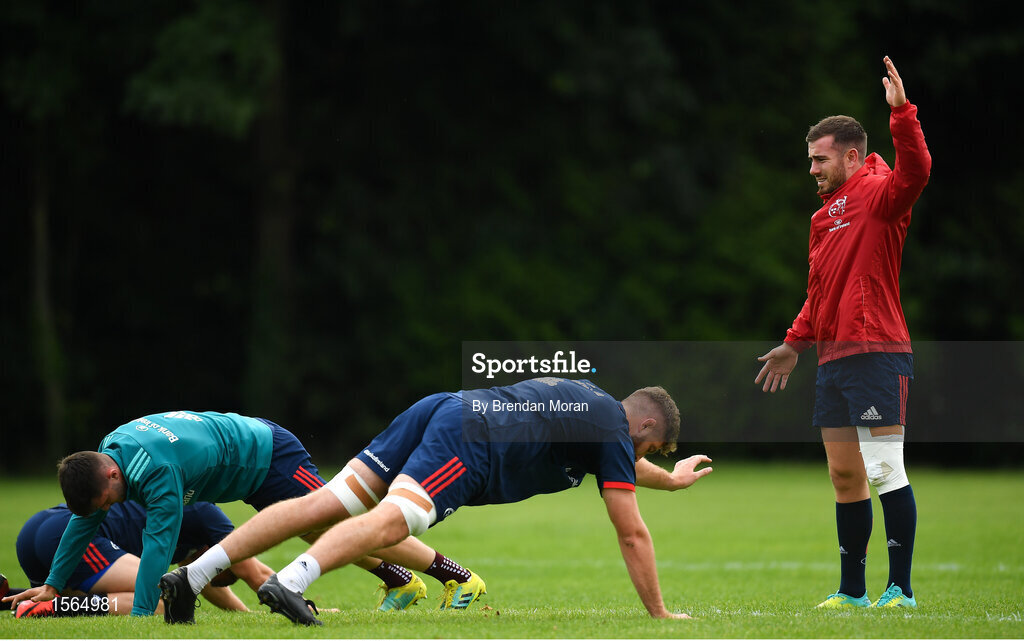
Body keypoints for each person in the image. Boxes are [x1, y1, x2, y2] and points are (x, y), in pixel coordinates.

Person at [166, 377, 712, 625]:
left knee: (325, 501)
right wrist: (658, 613)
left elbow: (626, 467)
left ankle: (191, 577)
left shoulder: (594, 410)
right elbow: (631, 532)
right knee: (392, 523)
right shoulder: (612, 431)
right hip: (472, 441)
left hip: (444, 407)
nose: (648, 455)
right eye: (655, 447)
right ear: (641, 423)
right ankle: (292, 581)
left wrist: (672, 480)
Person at [3, 410, 477, 620]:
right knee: (321, 532)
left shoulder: (158, 475)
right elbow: (84, 522)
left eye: (109, 500)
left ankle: (457, 576)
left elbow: (157, 549)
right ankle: (401, 581)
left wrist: (144, 615)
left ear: (109, 474)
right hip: (250, 462)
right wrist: (53, 582)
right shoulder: (112, 451)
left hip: (270, 457)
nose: (112, 508)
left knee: (340, 526)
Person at [754, 56, 930, 609]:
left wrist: (902, 113)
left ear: (852, 156)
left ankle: (899, 590)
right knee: (844, 476)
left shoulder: (882, 193)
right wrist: (794, 342)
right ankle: (851, 592)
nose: (811, 168)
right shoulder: (821, 218)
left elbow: (918, 170)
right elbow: (820, 292)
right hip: (832, 359)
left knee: (884, 468)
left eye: (820, 159)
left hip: (876, 351)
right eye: (809, 160)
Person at [5, 501, 272, 617]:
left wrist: (245, 614)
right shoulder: (208, 513)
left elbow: (197, 578)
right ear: (213, 551)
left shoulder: (193, 534)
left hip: (39, 527)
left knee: (81, 594)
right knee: (161, 599)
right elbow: (254, 571)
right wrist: (292, 599)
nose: (207, 578)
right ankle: (55, 608)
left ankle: (9, 597)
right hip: (69, 535)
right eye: (218, 571)